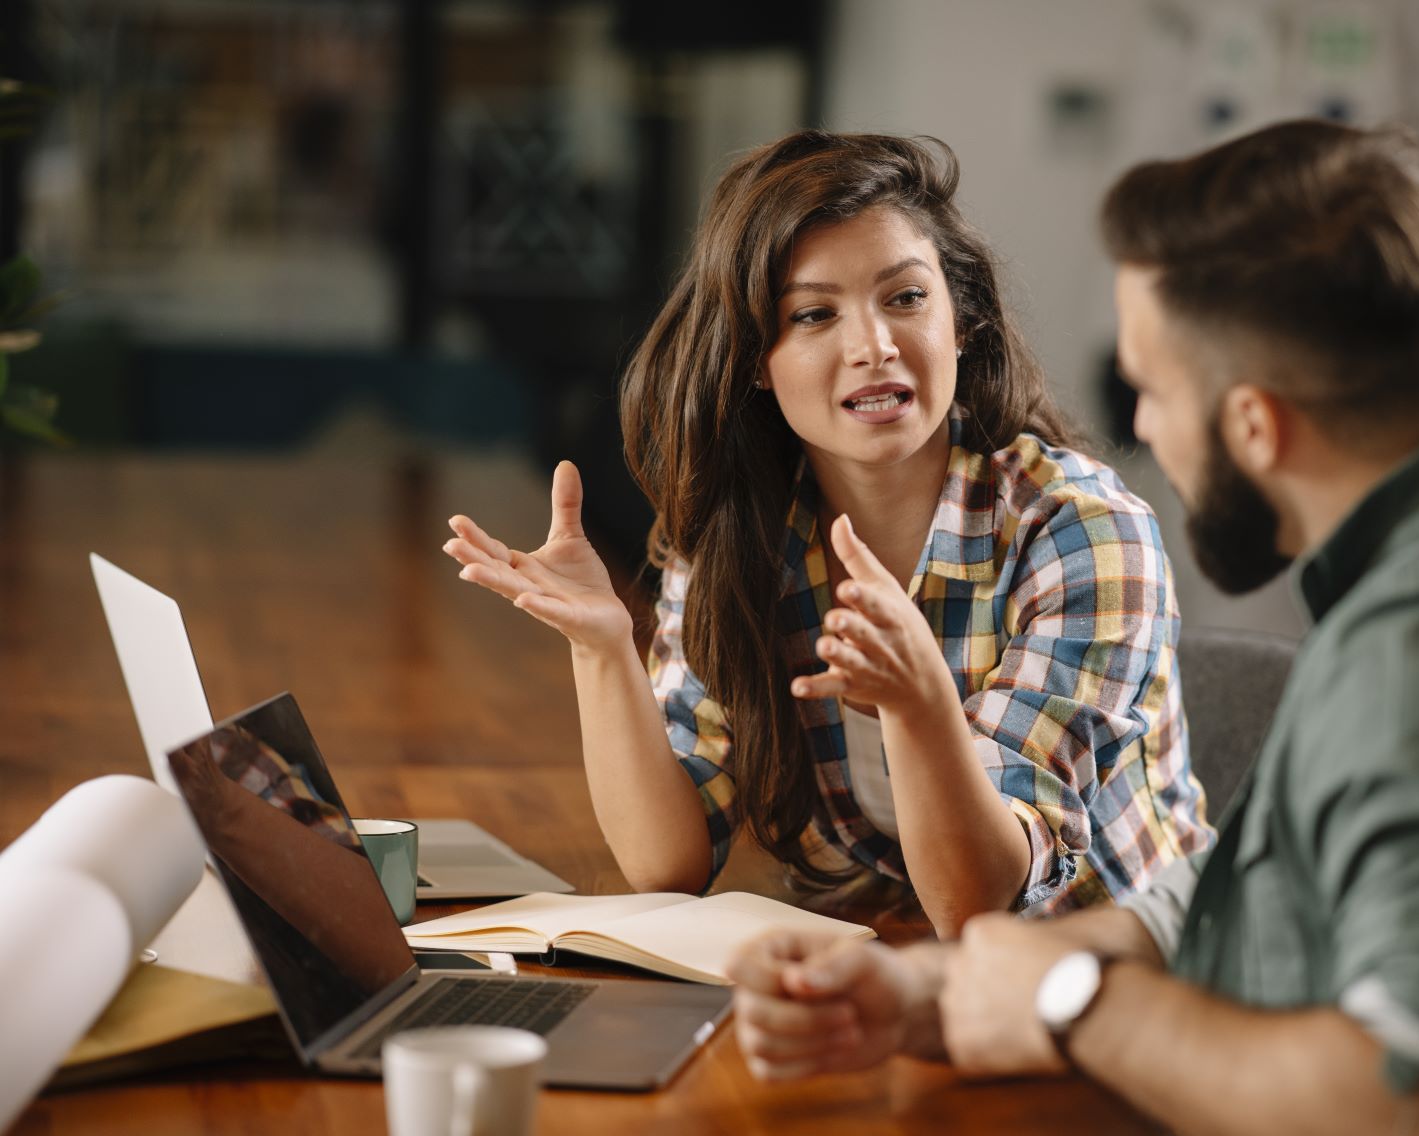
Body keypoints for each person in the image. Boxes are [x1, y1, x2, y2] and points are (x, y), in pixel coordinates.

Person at [723, 120, 1419, 1136]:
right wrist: (943, 993)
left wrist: (1070, 1003)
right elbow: (1258, 888)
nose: (1144, 429)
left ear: (1257, 427)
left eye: (1156, 390)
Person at [443, 131, 1209, 937]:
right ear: (753, 362)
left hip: (1124, 983)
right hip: (902, 963)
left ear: (963, 320)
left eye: (905, 299)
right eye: (813, 314)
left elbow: (979, 901)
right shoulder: (744, 537)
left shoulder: (1082, 531)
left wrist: (919, 707)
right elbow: (665, 863)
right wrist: (602, 649)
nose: (872, 346)